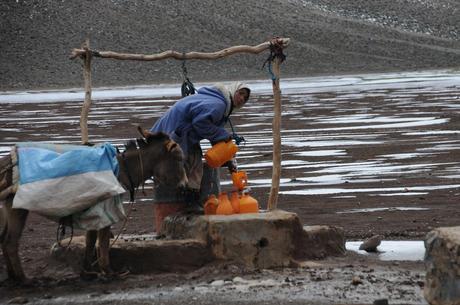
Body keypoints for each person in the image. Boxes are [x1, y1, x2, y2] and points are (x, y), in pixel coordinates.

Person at [150, 82, 251, 213]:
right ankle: (186, 204)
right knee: (186, 166)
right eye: (241, 93)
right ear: (233, 91)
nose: (242, 98)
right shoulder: (219, 105)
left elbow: (211, 131)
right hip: (175, 132)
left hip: (182, 132)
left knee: (195, 164)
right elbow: (201, 123)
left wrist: (228, 158)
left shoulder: (220, 103)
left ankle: (190, 202)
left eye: (246, 97)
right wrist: (224, 135)